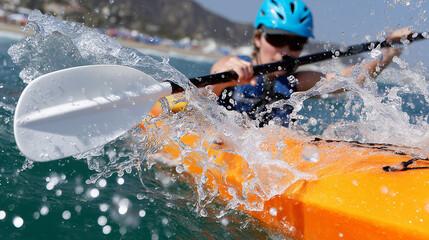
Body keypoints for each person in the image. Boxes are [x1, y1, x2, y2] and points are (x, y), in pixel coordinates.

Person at [210, 0, 411, 127]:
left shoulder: (295, 81)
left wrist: (391, 51)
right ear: (257, 38)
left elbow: (349, 79)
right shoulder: (233, 66)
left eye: (296, 43)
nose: (286, 51)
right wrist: (229, 73)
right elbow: (219, 71)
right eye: (277, 40)